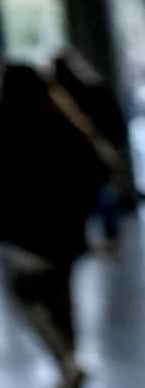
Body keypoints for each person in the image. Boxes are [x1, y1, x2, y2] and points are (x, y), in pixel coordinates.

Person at [0, 64, 108, 388]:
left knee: (27, 296)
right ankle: (70, 359)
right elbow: (97, 170)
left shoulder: (3, 125)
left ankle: (66, 359)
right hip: (65, 231)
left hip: (23, 233)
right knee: (61, 297)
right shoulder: (63, 121)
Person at [53, 51, 130, 254]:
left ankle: (86, 236)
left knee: (94, 195)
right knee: (104, 193)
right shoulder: (93, 87)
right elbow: (115, 119)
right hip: (97, 150)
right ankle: (110, 237)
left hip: (83, 153)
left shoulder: (61, 96)